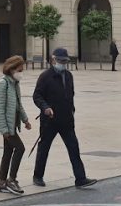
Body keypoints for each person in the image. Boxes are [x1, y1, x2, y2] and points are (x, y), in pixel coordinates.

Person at [32, 48, 97, 189]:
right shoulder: (45, 76)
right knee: (44, 147)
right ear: (53, 60)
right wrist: (45, 107)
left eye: (65, 61)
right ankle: (38, 175)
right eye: (60, 61)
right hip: (50, 120)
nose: (63, 64)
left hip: (66, 119)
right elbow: (37, 96)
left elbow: (70, 94)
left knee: (73, 147)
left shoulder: (68, 76)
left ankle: (80, 178)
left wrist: (72, 110)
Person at [0, 55, 31, 195]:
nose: (22, 72)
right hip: (7, 127)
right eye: (20, 70)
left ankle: (2, 183)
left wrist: (25, 120)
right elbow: (0, 110)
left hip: (12, 124)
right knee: (20, 148)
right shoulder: (3, 84)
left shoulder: (14, 84)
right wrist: (4, 130)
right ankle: (11, 180)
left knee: (8, 152)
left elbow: (19, 105)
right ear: (12, 69)